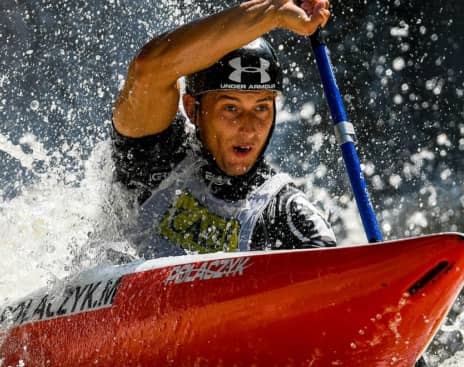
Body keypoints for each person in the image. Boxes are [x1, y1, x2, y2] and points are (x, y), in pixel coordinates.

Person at [112, 0, 336, 259]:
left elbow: (338, 272)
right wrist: (274, 11)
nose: (249, 129)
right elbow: (148, 69)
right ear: (192, 108)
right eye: (231, 108)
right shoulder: (154, 154)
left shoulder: (284, 210)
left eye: (261, 108)